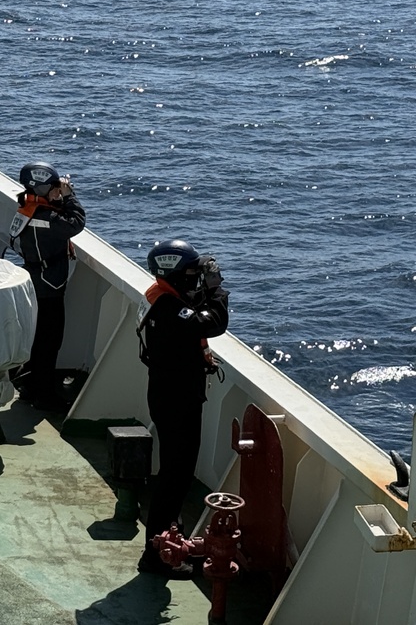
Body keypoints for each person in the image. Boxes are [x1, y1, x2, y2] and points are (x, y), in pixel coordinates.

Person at [135, 239, 229, 578]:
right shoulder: (168, 309)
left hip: (169, 395)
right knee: (174, 477)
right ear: (174, 274)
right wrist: (217, 290)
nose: (195, 280)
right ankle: (156, 555)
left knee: (177, 475)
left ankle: (171, 540)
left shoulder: (162, 297)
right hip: (176, 401)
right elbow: (212, 323)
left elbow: (191, 308)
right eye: (190, 275)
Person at [8, 162, 86, 412]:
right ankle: (44, 395)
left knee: (38, 339)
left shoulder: (27, 209)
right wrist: (70, 197)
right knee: (49, 342)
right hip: (49, 285)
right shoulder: (47, 218)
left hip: (35, 280)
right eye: (53, 187)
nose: (57, 191)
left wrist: (57, 199)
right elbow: (75, 223)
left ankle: (30, 385)